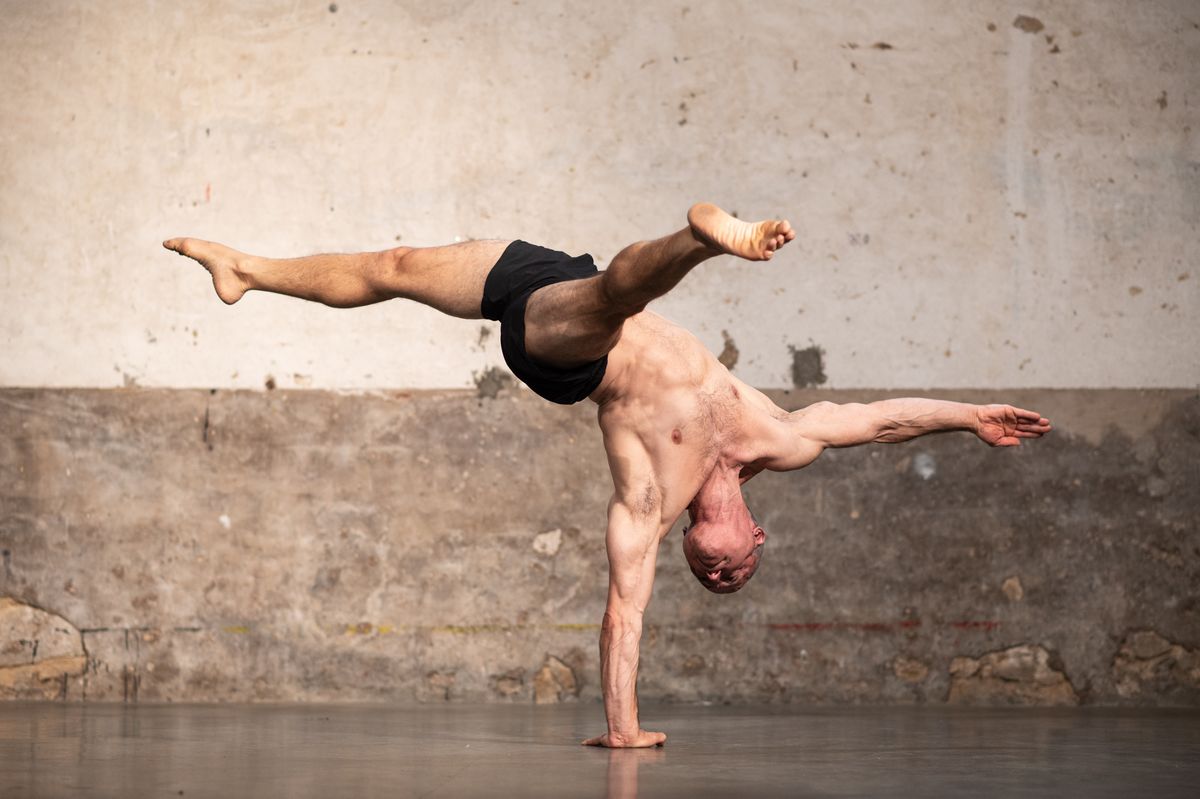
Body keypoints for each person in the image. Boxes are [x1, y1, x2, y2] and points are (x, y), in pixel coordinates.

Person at [164, 203, 1052, 748]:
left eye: (713, 581)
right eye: (737, 571)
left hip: (565, 347)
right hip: (558, 274)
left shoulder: (648, 504)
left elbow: (624, 613)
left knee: (616, 300)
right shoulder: (783, 437)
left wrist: (624, 730)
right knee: (395, 268)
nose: (720, 574)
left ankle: (702, 241)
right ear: (755, 533)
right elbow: (880, 420)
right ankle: (246, 269)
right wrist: (971, 415)